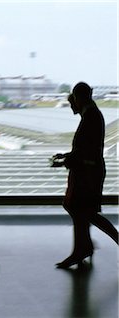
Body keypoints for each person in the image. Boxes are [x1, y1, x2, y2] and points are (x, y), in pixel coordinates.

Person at [51, 82, 118, 269]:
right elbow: (87, 148)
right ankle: (82, 248)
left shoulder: (90, 117)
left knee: (81, 209)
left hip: (87, 173)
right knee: (83, 210)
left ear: (78, 98)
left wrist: (67, 160)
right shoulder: (92, 114)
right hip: (89, 171)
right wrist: (68, 157)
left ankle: (83, 248)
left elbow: (86, 150)